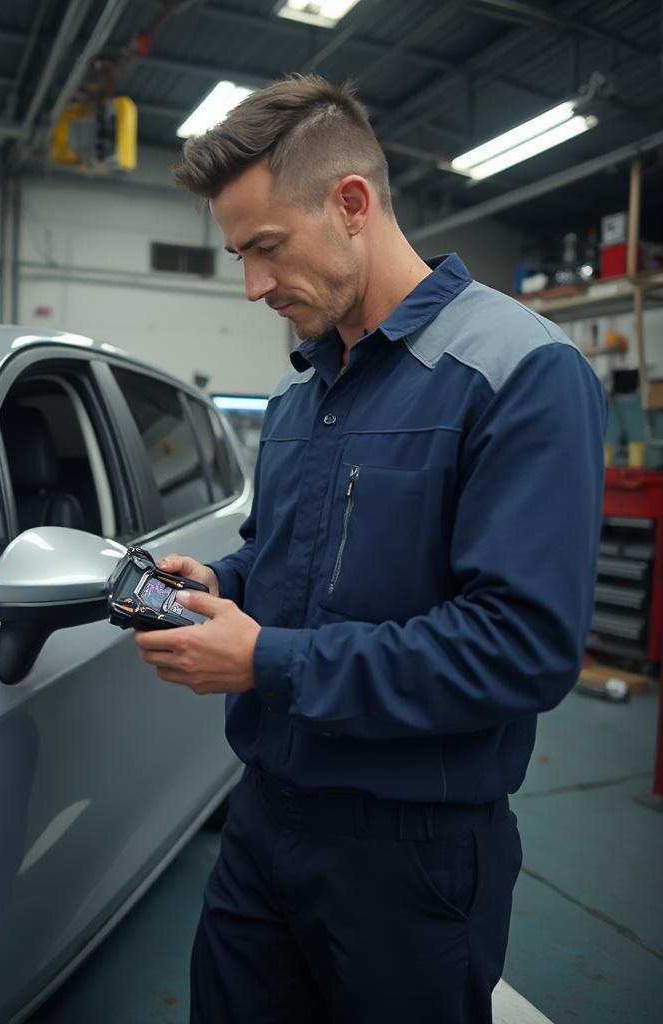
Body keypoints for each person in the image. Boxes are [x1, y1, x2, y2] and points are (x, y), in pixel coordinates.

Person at [133, 75, 605, 1024]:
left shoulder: (518, 374)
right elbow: (281, 552)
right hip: (265, 818)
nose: (254, 286)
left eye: (267, 248)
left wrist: (265, 657)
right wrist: (219, 583)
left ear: (352, 204)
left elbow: (521, 646)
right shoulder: (300, 392)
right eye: (239, 255)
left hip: (412, 852)